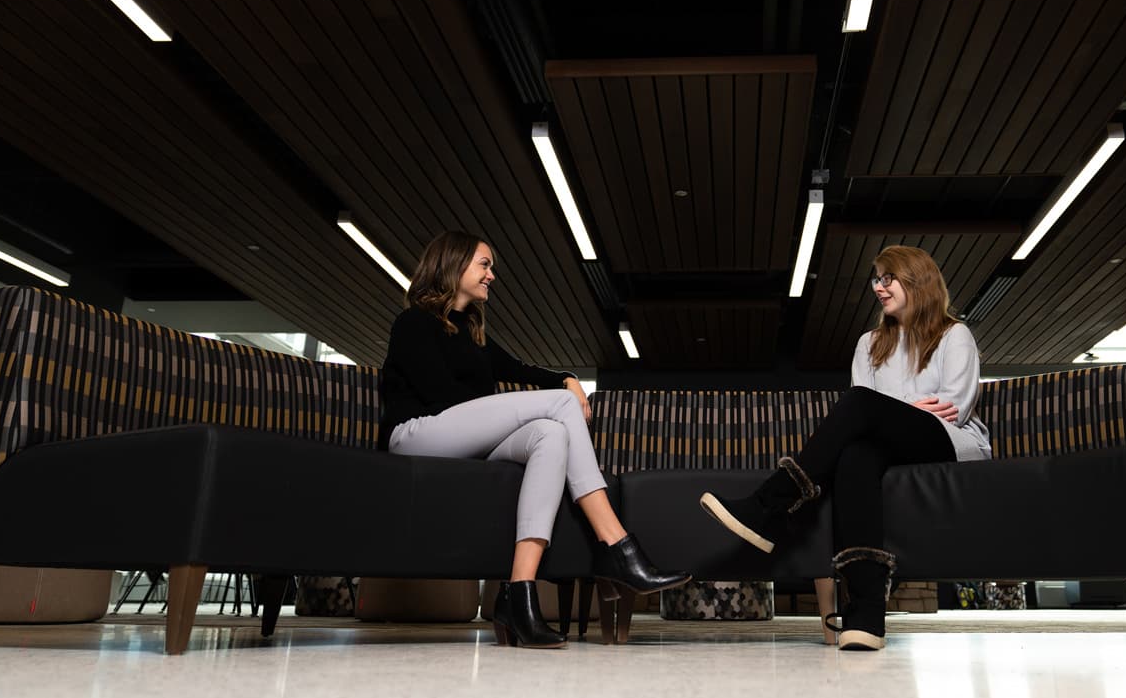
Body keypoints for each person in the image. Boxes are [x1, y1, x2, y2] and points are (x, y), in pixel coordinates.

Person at [380, 231, 689, 648]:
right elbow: (442, 400)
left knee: (551, 433)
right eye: (484, 265)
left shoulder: (472, 332)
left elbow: (522, 369)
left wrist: (568, 378)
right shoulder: (414, 322)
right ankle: (617, 545)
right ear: (453, 265)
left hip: (463, 438)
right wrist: (540, 403)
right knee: (560, 407)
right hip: (417, 435)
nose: (493, 275)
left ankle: (518, 595)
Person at [699, 245, 991, 651]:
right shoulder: (870, 342)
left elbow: (952, 410)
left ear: (917, 279)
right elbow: (864, 422)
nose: (879, 287)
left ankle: (770, 504)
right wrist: (902, 410)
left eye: (888, 278)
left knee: (858, 405)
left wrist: (894, 410)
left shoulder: (953, 334)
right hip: (886, 445)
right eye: (876, 279)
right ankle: (867, 614)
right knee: (856, 455)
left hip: (950, 443)